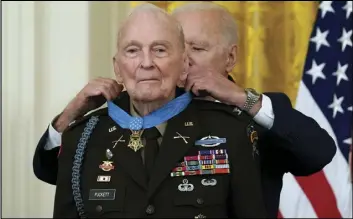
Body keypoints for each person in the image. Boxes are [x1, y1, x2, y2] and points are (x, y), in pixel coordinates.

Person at [33, 2, 337, 218]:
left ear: (230, 57)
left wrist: (242, 99)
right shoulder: (130, 111)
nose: (186, 61)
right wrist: (69, 116)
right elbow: (57, 172)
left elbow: (318, 152)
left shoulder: (248, 117)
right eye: (177, 46)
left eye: (197, 48)